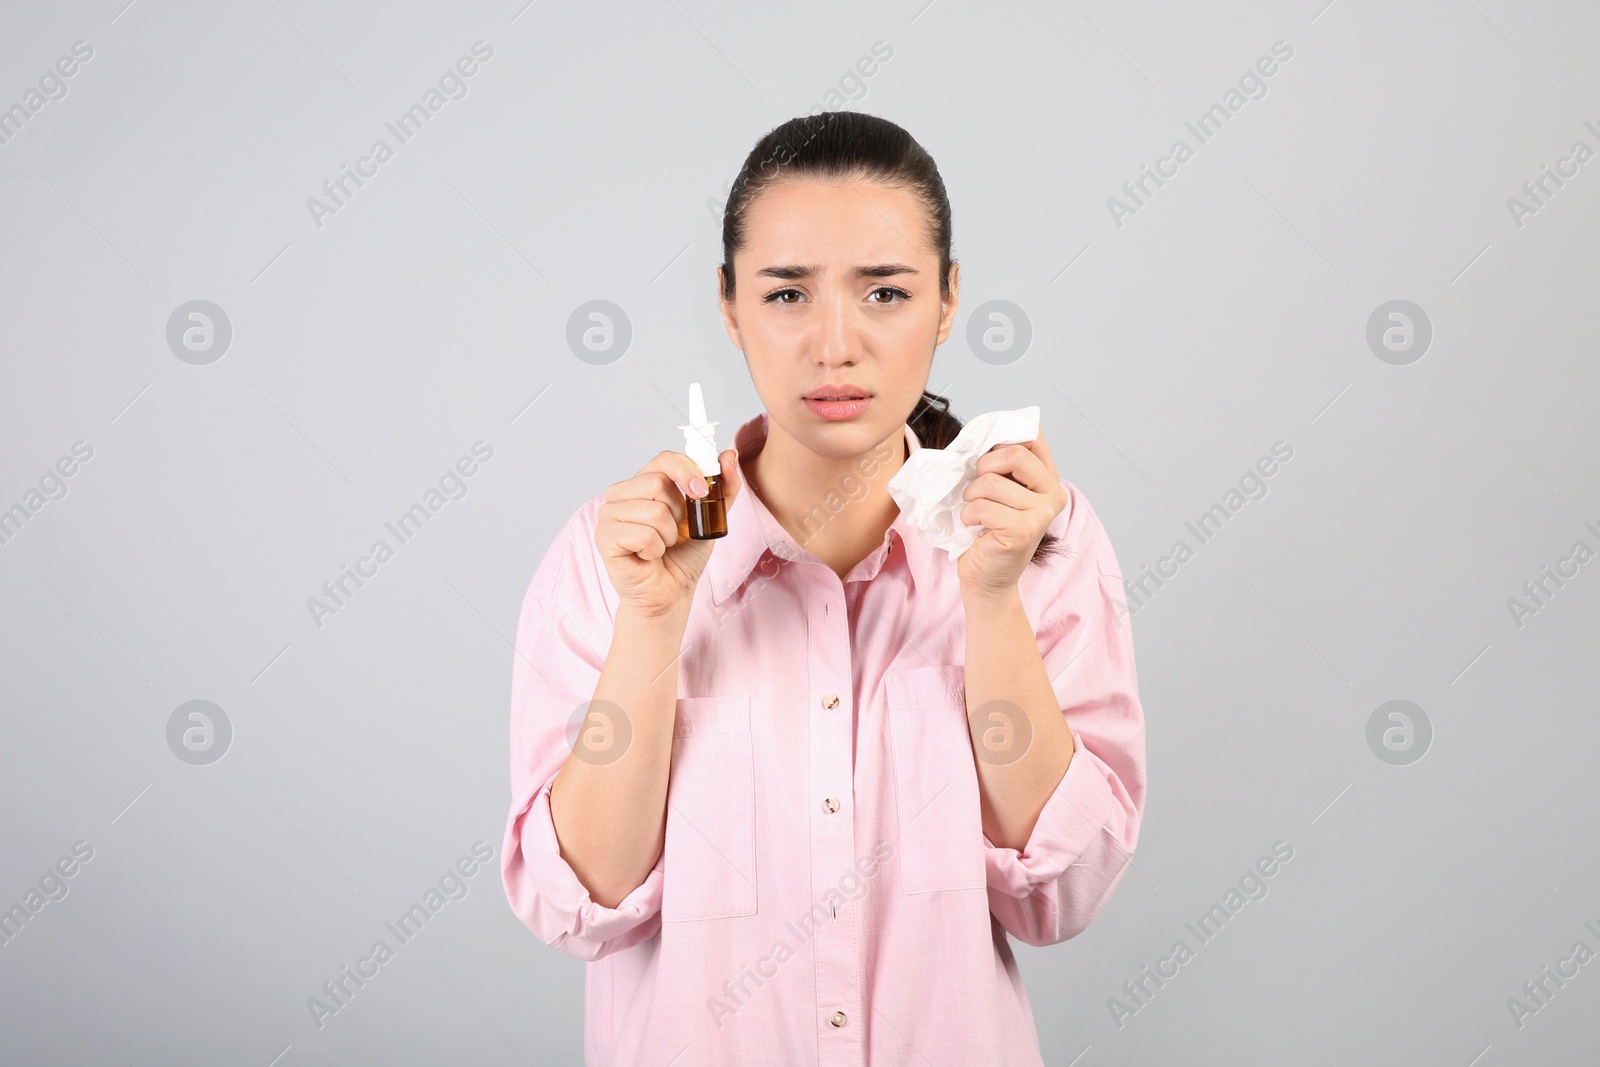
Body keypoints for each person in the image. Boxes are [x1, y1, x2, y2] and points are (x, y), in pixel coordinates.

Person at [501, 111, 1146, 1066]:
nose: (835, 344)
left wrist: (994, 599)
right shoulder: (613, 558)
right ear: (729, 305)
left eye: (885, 291)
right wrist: (650, 626)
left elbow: (1062, 890)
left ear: (948, 299)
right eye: (788, 293)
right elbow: (578, 903)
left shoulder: (1039, 538)